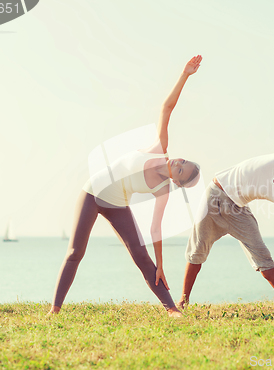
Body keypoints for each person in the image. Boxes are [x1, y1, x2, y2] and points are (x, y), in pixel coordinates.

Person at [48, 55, 203, 317]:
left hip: (117, 205)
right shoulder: (159, 149)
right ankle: (55, 309)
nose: (178, 161)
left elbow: (155, 229)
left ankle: (171, 310)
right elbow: (167, 108)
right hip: (93, 192)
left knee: (142, 258)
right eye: (183, 161)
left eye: (180, 168)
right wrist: (185, 75)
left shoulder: (163, 191)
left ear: (176, 181)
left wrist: (161, 265)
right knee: (75, 252)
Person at [178, 58, 274, 311]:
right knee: (197, 250)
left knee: (261, 252)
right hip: (215, 195)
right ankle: (182, 300)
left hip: (237, 210)